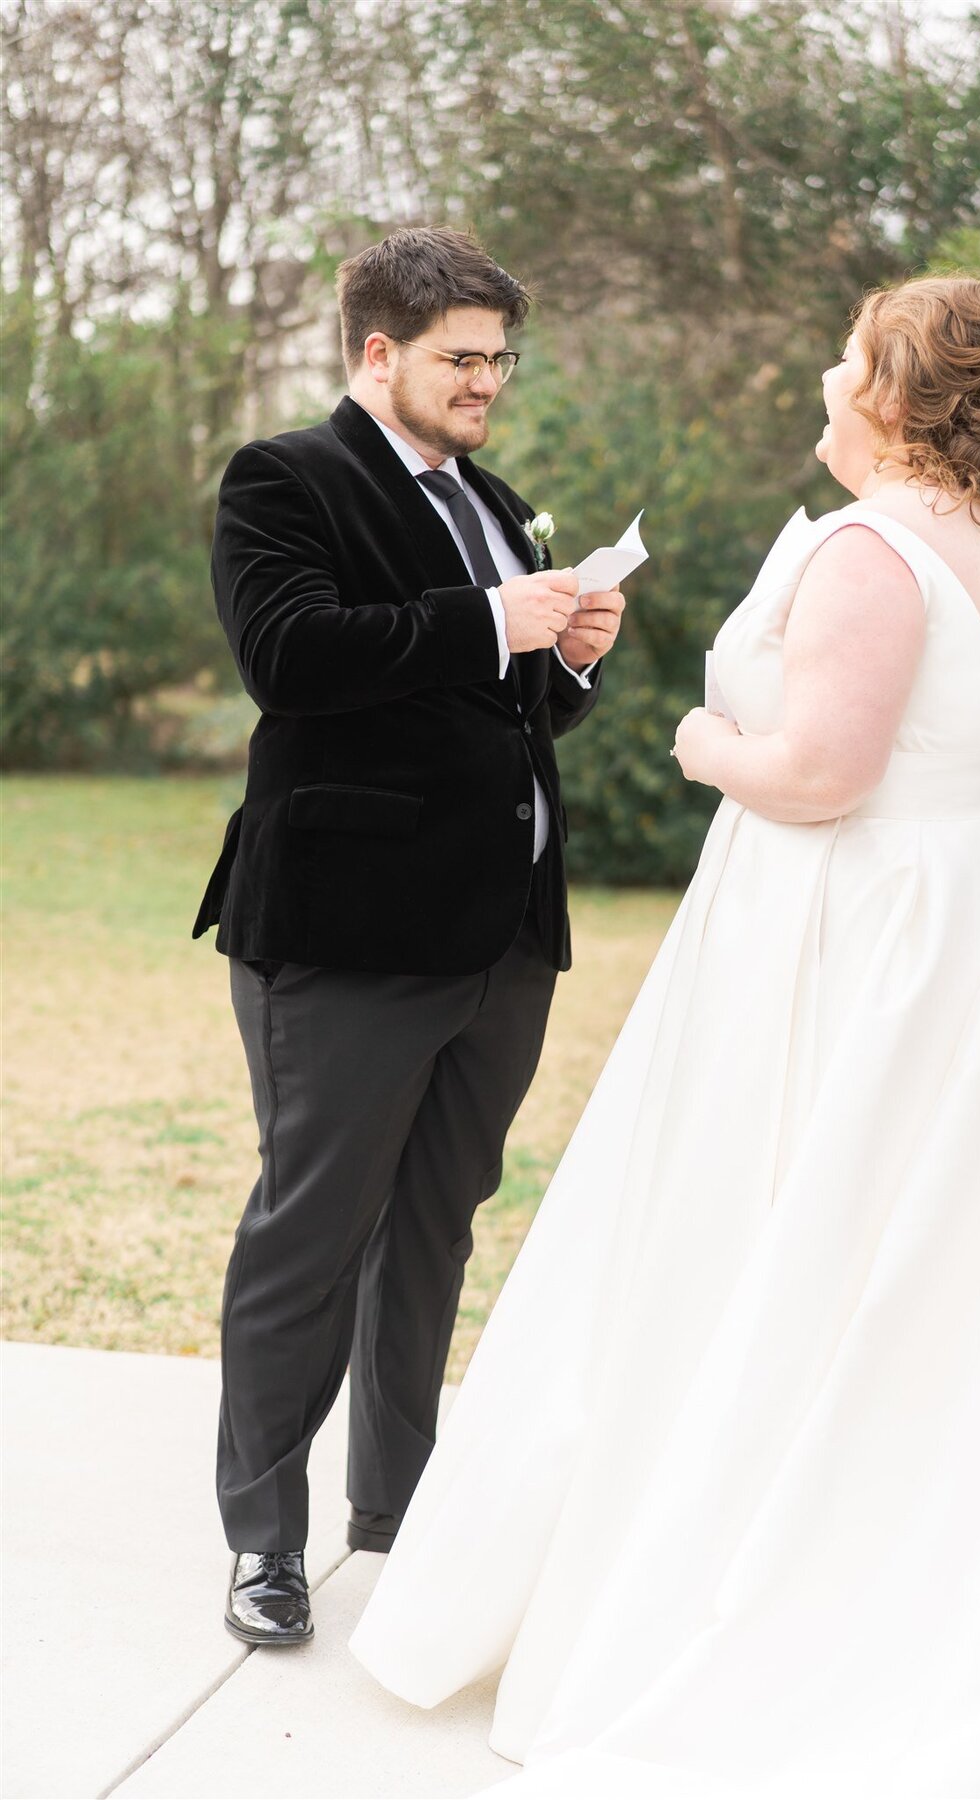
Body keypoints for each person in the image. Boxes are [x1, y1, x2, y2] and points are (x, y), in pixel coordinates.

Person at [349, 274, 980, 1796]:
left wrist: (697, 740)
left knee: (794, 1239)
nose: (822, 374)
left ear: (895, 395)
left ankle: (776, 1585)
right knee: (928, 1259)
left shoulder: (880, 552)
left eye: (849, 358)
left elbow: (821, 773)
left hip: (864, 939)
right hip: (974, 926)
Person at [192, 226, 625, 1647]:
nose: (488, 380)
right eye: (462, 357)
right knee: (312, 1235)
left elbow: (501, 711)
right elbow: (292, 658)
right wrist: (490, 616)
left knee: (434, 1227)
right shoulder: (284, 479)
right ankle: (267, 1539)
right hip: (349, 929)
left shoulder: (495, 499)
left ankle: (398, 1510)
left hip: (500, 938)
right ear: (378, 353)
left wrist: (560, 658)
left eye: (501, 357)